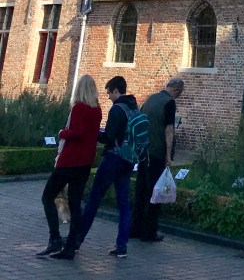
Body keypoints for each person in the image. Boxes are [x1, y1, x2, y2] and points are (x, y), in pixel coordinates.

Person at [53, 75, 140, 260]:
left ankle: (76, 241)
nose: (108, 97)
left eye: (109, 93)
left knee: (94, 200)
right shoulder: (134, 107)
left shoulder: (117, 109)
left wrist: (95, 133)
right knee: (124, 203)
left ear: (116, 90)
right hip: (129, 159)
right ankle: (122, 246)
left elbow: (108, 137)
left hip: (113, 158)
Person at [36, 75, 102, 257]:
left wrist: (62, 133)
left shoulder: (78, 108)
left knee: (48, 196)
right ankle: (71, 245)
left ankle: (55, 239)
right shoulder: (97, 110)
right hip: (85, 162)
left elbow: (77, 132)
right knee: (75, 202)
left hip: (70, 161)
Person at [130, 76, 184, 242]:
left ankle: (135, 228)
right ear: (175, 90)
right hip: (156, 153)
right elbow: (169, 130)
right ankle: (149, 232)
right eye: (179, 94)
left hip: (143, 151)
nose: (178, 97)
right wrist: (168, 155)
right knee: (155, 192)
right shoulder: (169, 103)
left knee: (140, 190)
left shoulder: (150, 99)